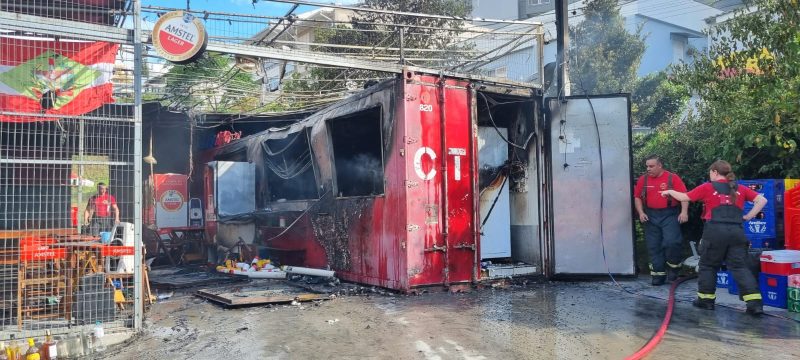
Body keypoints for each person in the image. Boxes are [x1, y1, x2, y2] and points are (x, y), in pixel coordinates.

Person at [660, 160, 767, 315]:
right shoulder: (739, 188)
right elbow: (762, 200)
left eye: (710, 172)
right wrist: (748, 216)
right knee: (739, 267)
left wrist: (669, 192)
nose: (709, 175)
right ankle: (755, 304)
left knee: (708, 265)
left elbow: (684, 197)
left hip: (715, 232)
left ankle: (706, 300)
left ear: (715, 172)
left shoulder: (708, 187)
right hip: (737, 232)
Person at [634, 155, 689, 285]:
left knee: (672, 242)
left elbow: (684, 196)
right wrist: (641, 213)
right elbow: (637, 197)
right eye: (647, 166)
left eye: (651, 166)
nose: (648, 168)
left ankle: (673, 267)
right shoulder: (643, 180)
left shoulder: (672, 178)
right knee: (654, 245)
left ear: (660, 166)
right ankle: (658, 274)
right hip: (651, 215)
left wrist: (684, 212)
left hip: (669, 214)